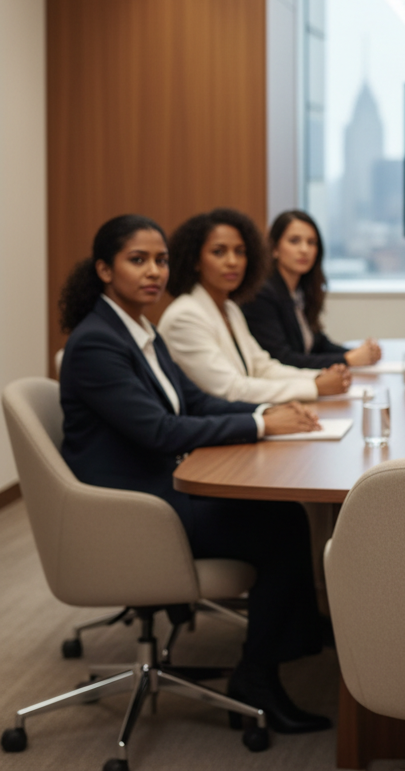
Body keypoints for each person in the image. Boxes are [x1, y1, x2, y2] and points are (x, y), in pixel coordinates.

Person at [59, 214, 331, 732]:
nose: (153, 271)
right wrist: (256, 423)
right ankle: (259, 676)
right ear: (103, 269)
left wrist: (265, 421)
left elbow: (194, 400)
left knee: (282, 516)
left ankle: (285, 655)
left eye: (160, 260)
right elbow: (161, 432)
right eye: (137, 260)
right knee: (281, 527)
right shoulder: (98, 343)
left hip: (157, 489)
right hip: (134, 510)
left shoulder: (138, 327)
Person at [158, 208, 352, 404]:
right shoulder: (185, 316)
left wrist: (317, 378)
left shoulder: (230, 309)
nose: (233, 262)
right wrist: (314, 387)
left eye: (240, 252)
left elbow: (262, 368)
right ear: (195, 261)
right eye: (219, 252)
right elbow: (231, 389)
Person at [242, 209, 381, 369]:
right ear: (275, 248)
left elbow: (318, 344)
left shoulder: (300, 289)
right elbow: (282, 359)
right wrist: (348, 358)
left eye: (311, 242)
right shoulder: (261, 294)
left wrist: (360, 353)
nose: (304, 249)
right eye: (294, 241)